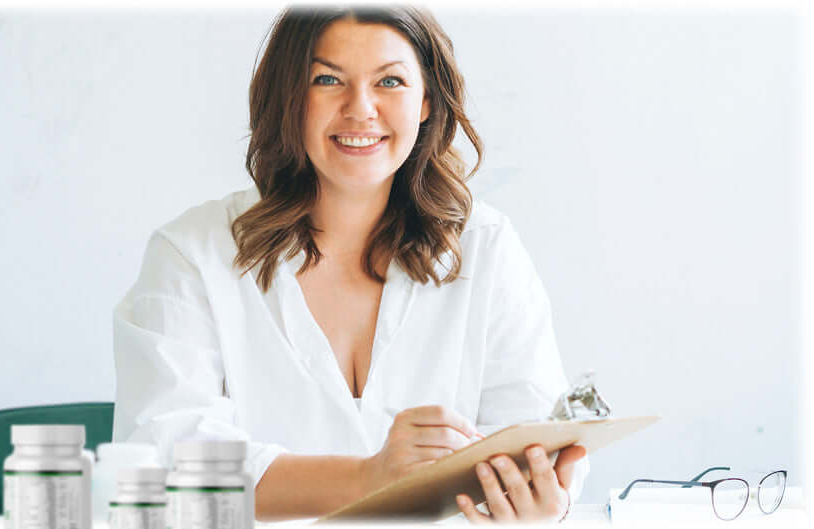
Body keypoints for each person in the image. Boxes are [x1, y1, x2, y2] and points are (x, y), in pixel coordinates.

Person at [112, 5, 589, 524]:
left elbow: (533, 427)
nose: (361, 109)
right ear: (289, 98)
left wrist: (540, 501)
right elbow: (161, 460)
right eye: (327, 79)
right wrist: (369, 479)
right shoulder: (193, 253)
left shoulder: (486, 246)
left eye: (390, 81)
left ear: (426, 100)